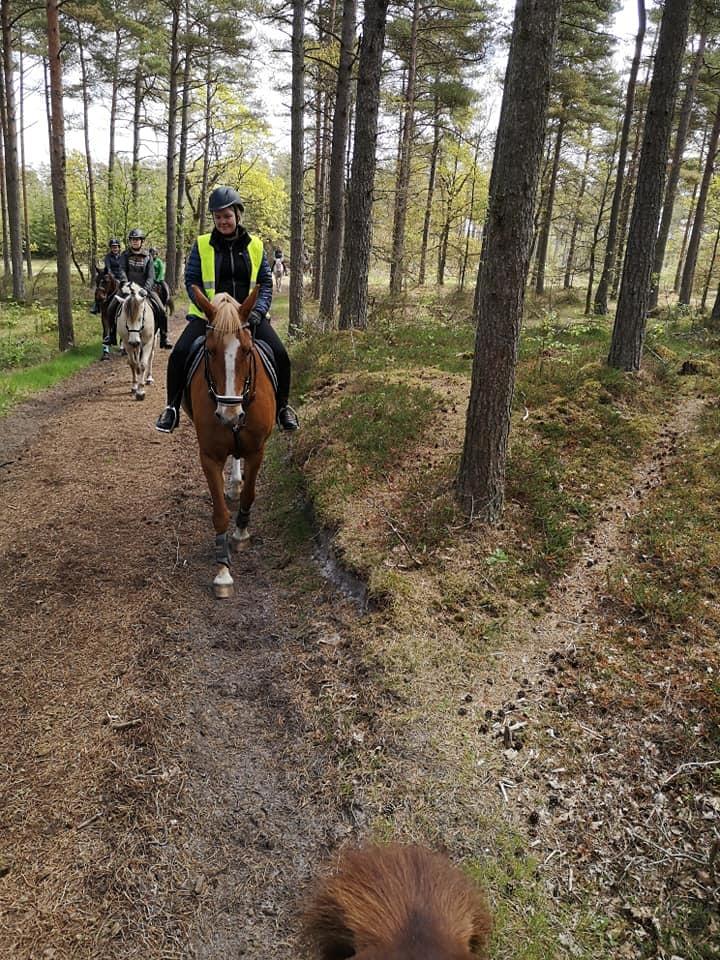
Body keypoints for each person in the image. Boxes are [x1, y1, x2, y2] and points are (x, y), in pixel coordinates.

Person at [155, 186, 299, 434]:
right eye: (218, 216)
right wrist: (207, 308)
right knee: (178, 354)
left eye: (227, 216)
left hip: (246, 317)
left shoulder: (255, 245)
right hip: (210, 316)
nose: (223, 221)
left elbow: (264, 282)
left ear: (237, 215)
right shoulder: (201, 245)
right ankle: (172, 408)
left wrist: (257, 311)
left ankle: (283, 408)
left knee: (280, 354)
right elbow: (192, 280)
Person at [109, 229, 172, 349]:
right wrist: (125, 283)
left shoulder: (148, 256)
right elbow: (122, 270)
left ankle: (164, 337)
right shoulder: (125, 255)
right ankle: (111, 335)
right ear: (130, 241)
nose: (135, 242)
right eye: (133, 240)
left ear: (141, 241)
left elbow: (151, 275)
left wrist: (146, 289)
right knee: (111, 307)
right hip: (128, 288)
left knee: (161, 310)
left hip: (144, 289)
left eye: (137, 239)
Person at [91, 238, 124, 313]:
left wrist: (122, 276)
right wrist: (111, 275)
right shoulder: (108, 257)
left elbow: (123, 267)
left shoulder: (122, 257)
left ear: (119, 248)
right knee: (100, 287)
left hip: (121, 276)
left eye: (116, 247)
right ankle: (96, 305)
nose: (115, 249)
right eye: (113, 247)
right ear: (111, 248)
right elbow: (108, 267)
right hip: (111, 276)